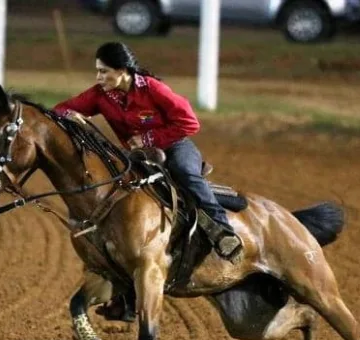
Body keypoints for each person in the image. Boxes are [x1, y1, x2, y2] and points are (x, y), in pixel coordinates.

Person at [53, 42, 242, 262]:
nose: (98, 77)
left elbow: (190, 122)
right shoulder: (100, 95)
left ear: (122, 71)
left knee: (185, 172)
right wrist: (71, 115)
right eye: (98, 71)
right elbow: (60, 109)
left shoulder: (153, 88)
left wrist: (148, 138)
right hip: (137, 155)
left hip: (175, 146)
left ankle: (224, 231)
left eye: (104, 71)